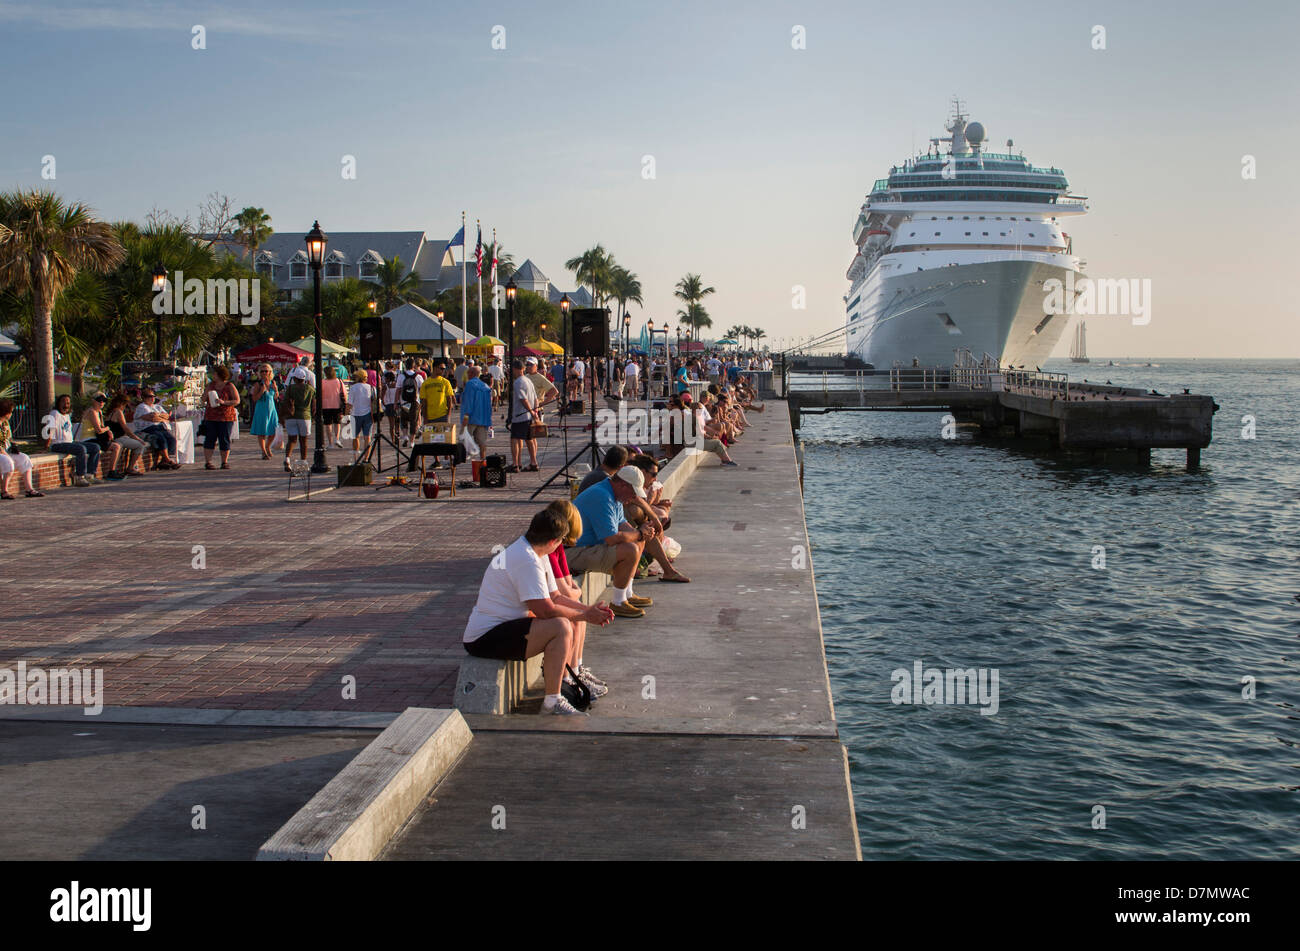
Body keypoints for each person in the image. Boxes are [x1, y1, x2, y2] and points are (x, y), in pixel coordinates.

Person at [462, 508, 613, 716]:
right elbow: (545, 611)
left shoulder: (536, 552)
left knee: (571, 617)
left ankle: (566, 684)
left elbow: (557, 597)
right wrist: (586, 615)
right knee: (560, 626)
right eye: (561, 541)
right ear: (553, 541)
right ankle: (552, 703)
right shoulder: (526, 559)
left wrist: (589, 610)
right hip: (484, 637)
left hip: (508, 627)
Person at [567, 466, 656, 618]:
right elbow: (612, 538)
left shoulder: (613, 494)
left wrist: (643, 534)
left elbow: (622, 525)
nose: (633, 497)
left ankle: (627, 593)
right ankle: (618, 602)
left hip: (587, 547)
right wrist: (640, 533)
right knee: (630, 549)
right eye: (633, 492)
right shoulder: (601, 496)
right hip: (572, 552)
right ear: (623, 485)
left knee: (638, 542)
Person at [544, 499, 609, 697]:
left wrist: (575, 594)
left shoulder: (558, 548)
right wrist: (576, 593)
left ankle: (577, 669)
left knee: (580, 613)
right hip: (540, 605)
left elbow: (569, 583)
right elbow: (566, 590)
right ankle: (566, 679)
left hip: (551, 599)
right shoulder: (549, 550)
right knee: (573, 619)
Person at [45, 394, 101, 486]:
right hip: (58, 444)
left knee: (95, 447)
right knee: (81, 449)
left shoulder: (67, 415)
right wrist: (47, 446)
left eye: (68, 402)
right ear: (58, 403)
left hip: (69, 443)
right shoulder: (54, 413)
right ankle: (79, 477)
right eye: (63, 402)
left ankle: (90, 475)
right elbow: (50, 430)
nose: (66, 405)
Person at [0, 398, 42, 498]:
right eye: (10, 411)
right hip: (1, 452)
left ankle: (29, 489)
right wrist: (5, 454)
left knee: (24, 458)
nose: (11, 414)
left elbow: (8, 438)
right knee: (8, 461)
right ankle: (4, 491)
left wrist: (14, 447)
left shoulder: (5, 423)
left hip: (5, 450)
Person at [131, 387, 182, 470]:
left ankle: (164, 461)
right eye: (149, 396)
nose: (152, 398)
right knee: (161, 438)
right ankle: (168, 460)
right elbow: (152, 418)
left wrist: (158, 416)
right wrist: (160, 416)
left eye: (153, 396)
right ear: (144, 398)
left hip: (160, 426)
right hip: (148, 427)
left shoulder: (157, 407)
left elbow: (166, 416)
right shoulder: (142, 407)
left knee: (172, 439)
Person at [202, 364, 240, 470]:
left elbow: (237, 400)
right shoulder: (210, 385)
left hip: (226, 416)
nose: (213, 375)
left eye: (215, 373)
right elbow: (203, 399)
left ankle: (224, 462)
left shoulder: (229, 386)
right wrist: (207, 393)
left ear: (220, 375)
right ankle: (208, 462)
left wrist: (224, 402)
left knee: (224, 439)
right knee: (210, 438)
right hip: (211, 416)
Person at [80, 393, 123, 480]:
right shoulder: (91, 412)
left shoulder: (99, 412)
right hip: (88, 439)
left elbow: (102, 427)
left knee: (118, 445)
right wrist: (108, 428)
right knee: (116, 447)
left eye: (104, 401)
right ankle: (110, 472)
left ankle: (112, 471)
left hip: (96, 438)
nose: (101, 403)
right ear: (93, 401)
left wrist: (109, 431)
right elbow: (98, 430)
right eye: (99, 400)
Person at [104, 394, 147, 477]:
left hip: (114, 438)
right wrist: (138, 439)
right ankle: (130, 468)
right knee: (140, 445)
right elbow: (126, 429)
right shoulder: (118, 412)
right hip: (119, 438)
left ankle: (131, 467)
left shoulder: (109, 412)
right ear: (122, 403)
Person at [509, 359, 539, 473]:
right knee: (529, 439)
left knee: (515, 439)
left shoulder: (518, 382)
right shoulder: (528, 380)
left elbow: (523, 399)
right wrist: (535, 411)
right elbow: (535, 398)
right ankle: (533, 462)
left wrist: (531, 411)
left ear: (516, 369)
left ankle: (516, 464)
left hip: (520, 416)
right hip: (529, 416)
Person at [459, 364, 493, 464]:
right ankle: (483, 460)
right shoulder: (485, 386)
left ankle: (462, 458)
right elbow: (489, 405)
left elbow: (469, 402)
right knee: (482, 442)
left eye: (468, 373)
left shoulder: (470, 384)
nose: (467, 375)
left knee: (464, 438)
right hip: (483, 419)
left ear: (472, 373)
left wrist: (466, 416)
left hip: (471, 418)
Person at [282, 366, 315, 470]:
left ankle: (287, 458)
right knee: (303, 441)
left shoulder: (291, 388)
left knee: (291, 440)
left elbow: (285, 401)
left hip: (291, 416)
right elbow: (314, 404)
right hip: (305, 416)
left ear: (295, 378)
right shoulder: (310, 389)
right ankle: (303, 461)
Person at [249, 363, 280, 460]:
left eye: (266, 371)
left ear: (270, 372)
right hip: (261, 409)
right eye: (262, 371)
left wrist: (276, 390)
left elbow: (275, 397)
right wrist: (261, 391)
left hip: (271, 409)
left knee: (274, 431)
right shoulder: (258, 384)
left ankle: (267, 446)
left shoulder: (272, 383)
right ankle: (263, 451)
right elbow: (254, 398)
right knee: (262, 432)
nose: (264, 373)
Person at [348, 367, 375, 457]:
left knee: (355, 437)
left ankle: (356, 455)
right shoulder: (370, 388)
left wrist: (346, 415)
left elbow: (349, 403)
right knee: (367, 437)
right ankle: (366, 458)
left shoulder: (353, 388)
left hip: (355, 414)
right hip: (368, 414)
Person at [396, 359, 424, 446]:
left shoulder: (401, 376)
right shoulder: (418, 377)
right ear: (414, 365)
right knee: (414, 421)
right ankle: (412, 442)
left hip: (404, 401)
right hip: (415, 402)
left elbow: (398, 390)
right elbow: (422, 390)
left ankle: (405, 436)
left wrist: (396, 402)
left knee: (404, 420)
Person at [320, 366, 348, 448]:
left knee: (328, 424)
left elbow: (319, 394)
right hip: (337, 404)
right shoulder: (339, 381)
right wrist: (345, 403)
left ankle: (330, 443)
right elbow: (344, 393)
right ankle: (337, 439)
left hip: (325, 405)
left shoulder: (322, 382)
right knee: (337, 423)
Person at [420, 360, 454, 425]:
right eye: (441, 368)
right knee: (430, 435)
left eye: (444, 369)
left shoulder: (445, 382)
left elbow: (449, 400)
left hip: (443, 416)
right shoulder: (425, 383)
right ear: (435, 368)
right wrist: (425, 418)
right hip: (430, 417)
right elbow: (423, 402)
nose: (443, 370)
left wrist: (448, 416)